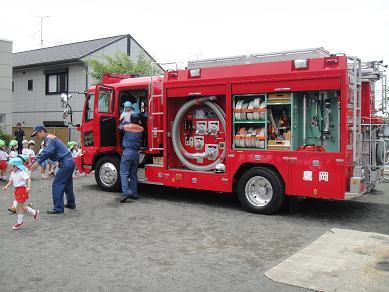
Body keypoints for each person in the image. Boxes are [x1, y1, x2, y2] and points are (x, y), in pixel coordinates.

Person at [29, 125, 76, 214]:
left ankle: (58, 208)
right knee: (67, 184)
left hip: (66, 162)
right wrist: (33, 162)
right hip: (69, 161)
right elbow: (44, 152)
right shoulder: (50, 138)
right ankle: (71, 203)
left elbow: (47, 152)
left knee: (57, 184)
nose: (37, 137)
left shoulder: (49, 139)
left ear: (42, 131)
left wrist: (37, 162)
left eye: (37, 134)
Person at [2, 157, 39, 230]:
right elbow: (11, 181)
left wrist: (28, 187)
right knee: (21, 207)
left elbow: (28, 179)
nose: (8, 167)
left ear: (15, 166)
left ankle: (19, 222)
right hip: (17, 190)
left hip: (22, 190)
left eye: (10, 165)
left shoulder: (21, 173)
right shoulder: (13, 173)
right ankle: (34, 212)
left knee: (18, 208)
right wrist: (6, 186)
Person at [119, 114, 144, 203]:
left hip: (127, 152)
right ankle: (134, 193)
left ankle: (126, 192)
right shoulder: (141, 129)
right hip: (136, 153)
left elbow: (119, 127)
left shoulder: (126, 127)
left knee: (124, 172)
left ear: (131, 119)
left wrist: (122, 120)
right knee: (133, 173)